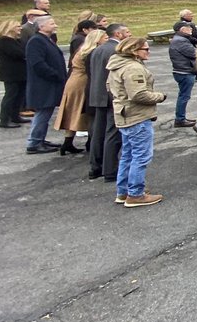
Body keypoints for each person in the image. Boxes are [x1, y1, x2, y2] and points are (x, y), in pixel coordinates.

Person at [106, 36, 168, 207]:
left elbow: (109, 87)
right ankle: (135, 194)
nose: (149, 52)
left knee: (128, 154)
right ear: (134, 50)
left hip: (124, 114)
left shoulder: (116, 65)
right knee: (141, 155)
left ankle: (124, 191)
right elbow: (139, 94)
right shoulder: (133, 68)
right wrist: (160, 97)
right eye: (146, 49)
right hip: (136, 116)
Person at [54, 28, 105, 156]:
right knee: (85, 113)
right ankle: (90, 142)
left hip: (73, 81)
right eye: (104, 38)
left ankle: (67, 142)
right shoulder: (91, 52)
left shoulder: (82, 49)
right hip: (82, 83)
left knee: (71, 112)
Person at [88, 23, 129, 179]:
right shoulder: (115, 50)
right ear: (118, 34)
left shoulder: (98, 49)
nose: (129, 34)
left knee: (98, 132)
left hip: (98, 95)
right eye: (127, 32)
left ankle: (95, 166)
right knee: (113, 133)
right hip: (111, 96)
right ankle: (110, 169)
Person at [24, 15, 67, 154]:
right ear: (41, 26)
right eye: (52, 23)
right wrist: (55, 74)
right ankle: (34, 142)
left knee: (46, 113)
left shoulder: (46, 40)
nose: (56, 26)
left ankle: (39, 139)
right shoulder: (36, 41)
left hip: (48, 85)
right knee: (43, 113)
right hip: (43, 85)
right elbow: (38, 64)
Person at [0, 19, 27, 129]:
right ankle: (4, 120)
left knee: (19, 95)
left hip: (21, 72)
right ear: (10, 28)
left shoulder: (18, 40)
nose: (21, 28)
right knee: (10, 95)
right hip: (10, 73)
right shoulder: (3, 41)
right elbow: (18, 53)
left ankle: (15, 116)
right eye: (18, 26)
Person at [168, 22, 197, 128]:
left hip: (183, 71)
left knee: (183, 95)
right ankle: (180, 119)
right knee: (184, 96)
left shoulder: (180, 39)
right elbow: (195, 54)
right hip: (184, 72)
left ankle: (181, 118)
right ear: (182, 29)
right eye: (189, 28)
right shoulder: (181, 41)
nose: (191, 29)